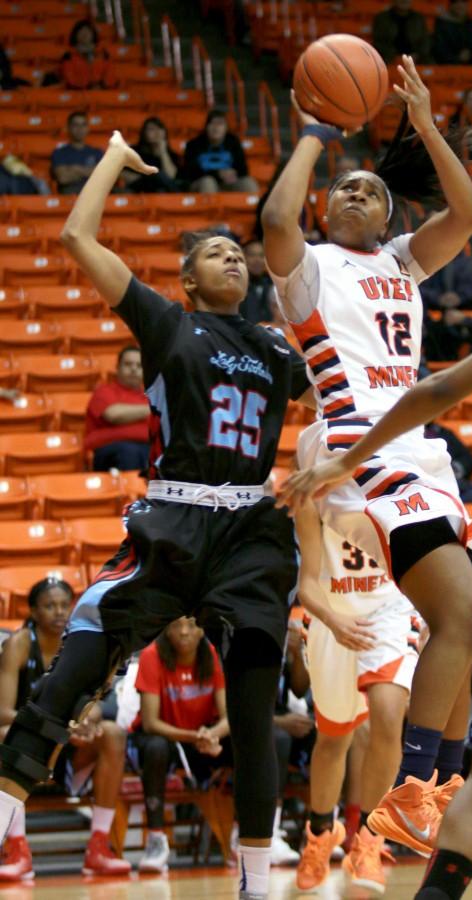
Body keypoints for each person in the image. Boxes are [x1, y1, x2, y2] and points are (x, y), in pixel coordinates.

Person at [0, 130, 313, 900]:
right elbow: (77, 235)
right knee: (68, 676)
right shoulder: (169, 321)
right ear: (188, 278)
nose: (234, 258)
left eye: (239, 252)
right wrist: (112, 156)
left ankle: (256, 882)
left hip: (249, 532)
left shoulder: (278, 351)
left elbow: (347, 395)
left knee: (254, 705)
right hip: (172, 522)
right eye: (216, 253)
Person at [261, 56, 472, 864]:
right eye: (343, 187)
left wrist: (428, 123)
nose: (352, 193)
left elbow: (468, 213)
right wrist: (314, 136)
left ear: (392, 211)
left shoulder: (403, 260)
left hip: (423, 453)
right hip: (365, 452)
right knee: (460, 617)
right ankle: (408, 791)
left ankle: (431, 788)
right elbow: (274, 222)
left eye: (369, 187)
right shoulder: (310, 274)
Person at [279, 282, 472, 900]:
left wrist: (349, 459)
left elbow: (436, 390)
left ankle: (420, 791)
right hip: (342, 608)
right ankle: (365, 811)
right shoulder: (324, 466)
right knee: (338, 733)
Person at [294, 499, 421, 894]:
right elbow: (307, 586)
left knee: (387, 713)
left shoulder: (399, 479)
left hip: (390, 611)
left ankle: (369, 838)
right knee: (333, 738)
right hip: (331, 616)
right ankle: (319, 835)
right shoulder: (314, 493)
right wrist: (334, 622)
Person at [0, 578, 129, 880]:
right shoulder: (19, 645)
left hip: (69, 750)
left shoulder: (83, 643)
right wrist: (54, 728)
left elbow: (102, 701)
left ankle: (99, 847)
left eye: (64, 605)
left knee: (112, 734)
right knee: (5, 734)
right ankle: (16, 848)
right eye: (49, 605)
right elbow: (3, 711)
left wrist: (89, 717)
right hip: (29, 745)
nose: (59, 612)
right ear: (33, 610)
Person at [130, 616, 229, 874]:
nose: (184, 632)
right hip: (163, 737)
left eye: (192, 625)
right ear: (166, 628)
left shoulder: (211, 653)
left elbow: (229, 717)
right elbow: (151, 723)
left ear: (202, 629)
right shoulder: (152, 655)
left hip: (202, 738)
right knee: (155, 747)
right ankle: (155, 838)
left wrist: (211, 735)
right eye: (177, 625)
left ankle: (245, 834)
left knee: (248, 741)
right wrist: (196, 737)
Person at [271, 620, 313, 866]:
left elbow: (299, 690)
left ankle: (321, 829)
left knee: (323, 735)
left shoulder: (285, 636)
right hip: (245, 730)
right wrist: (280, 722)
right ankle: (270, 830)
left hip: (280, 719)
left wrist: (296, 653)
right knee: (278, 738)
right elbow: (240, 712)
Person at [84, 345, 151, 472]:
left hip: (146, 449)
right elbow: (114, 415)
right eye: (128, 364)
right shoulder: (104, 391)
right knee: (129, 451)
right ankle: (128, 491)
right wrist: (152, 408)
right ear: (118, 368)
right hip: (110, 451)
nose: (133, 369)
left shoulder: (150, 395)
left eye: (139, 365)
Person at [183, 109, 259, 194]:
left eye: (220, 124)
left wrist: (233, 173)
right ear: (206, 127)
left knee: (249, 183)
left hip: (228, 183)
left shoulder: (233, 142)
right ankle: (211, 207)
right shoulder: (193, 145)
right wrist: (218, 174)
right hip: (202, 183)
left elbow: (243, 169)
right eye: (212, 123)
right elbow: (191, 173)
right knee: (208, 183)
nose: (216, 128)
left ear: (226, 128)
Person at [123, 117, 184, 194]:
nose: (157, 132)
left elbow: (171, 176)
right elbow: (123, 173)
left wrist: (163, 152)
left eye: (160, 128)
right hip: (140, 187)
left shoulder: (172, 155)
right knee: (156, 175)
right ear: (144, 133)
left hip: (163, 190)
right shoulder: (134, 151)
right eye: (151, 129)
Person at [55, 19, 118, 90]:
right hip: (77, 94)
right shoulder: (68, 56)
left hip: (102, 92)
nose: (84, 34)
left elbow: (110, 72)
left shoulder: (103, 54)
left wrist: (102, 85)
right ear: (75, 35)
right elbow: (68, 76)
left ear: (93, 34)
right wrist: (87, 87)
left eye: (88, 31)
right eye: (81, 31)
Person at [51, 111, 103, 195]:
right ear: (68, 128)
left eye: (83, 125)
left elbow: (102, 176)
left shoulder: (97, 152)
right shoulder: (59, 153)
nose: (80, 129)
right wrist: (89, 171)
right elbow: (63, 178)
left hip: (94, 192)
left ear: (88, 128)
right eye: (76, 125)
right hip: (70, 193)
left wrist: (76, 169)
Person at [372, 0, 430, 65]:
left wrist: (418, 55)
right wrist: (393, 56)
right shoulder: (382, 18)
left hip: (416, 59)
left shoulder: (419, 18)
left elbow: (425, 42)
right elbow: (379, 42)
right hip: (388, 59)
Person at [432, 1, 472, 66]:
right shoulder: (441, 23)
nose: (460, 7)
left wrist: (469, 52)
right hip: (446, 63)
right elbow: (439, 48)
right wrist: (457, 57)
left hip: (470, 62)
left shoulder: (471, 23)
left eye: (463, 4)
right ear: (451, 6)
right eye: (457, 4)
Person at [238, 240, 276, 324]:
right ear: (243, 257)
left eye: (261, 255)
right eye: (252, 255)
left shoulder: (272, 285)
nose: (257, 260)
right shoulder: (235, 287)